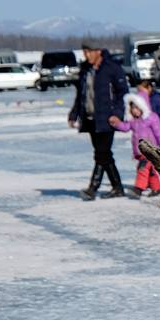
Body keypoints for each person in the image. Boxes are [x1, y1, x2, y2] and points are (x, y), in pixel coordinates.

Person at [67, 40, 131, 200]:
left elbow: (123, 93)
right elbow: (80, 95)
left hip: (107, 118)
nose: (86, 55)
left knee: (102, 153)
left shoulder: (112, 68)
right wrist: (74, 114)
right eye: (84, 52)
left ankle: (93, 188)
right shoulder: (85, 69)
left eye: (89, 52)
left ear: (98, 51)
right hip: (90, 118)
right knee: (104, 154)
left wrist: (117, 114)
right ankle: (117, 187)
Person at [108, 92, 160, 197]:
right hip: (140, 152)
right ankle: (157, 188)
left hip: (151, 150)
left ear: (143, 106)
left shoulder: (151, 118)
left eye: (137, 108)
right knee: (151, 171)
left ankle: (138, 189)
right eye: (132, 109)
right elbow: (126, 127)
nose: (135, 111)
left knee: (143, 168)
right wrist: (117, 124)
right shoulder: (133, 121)